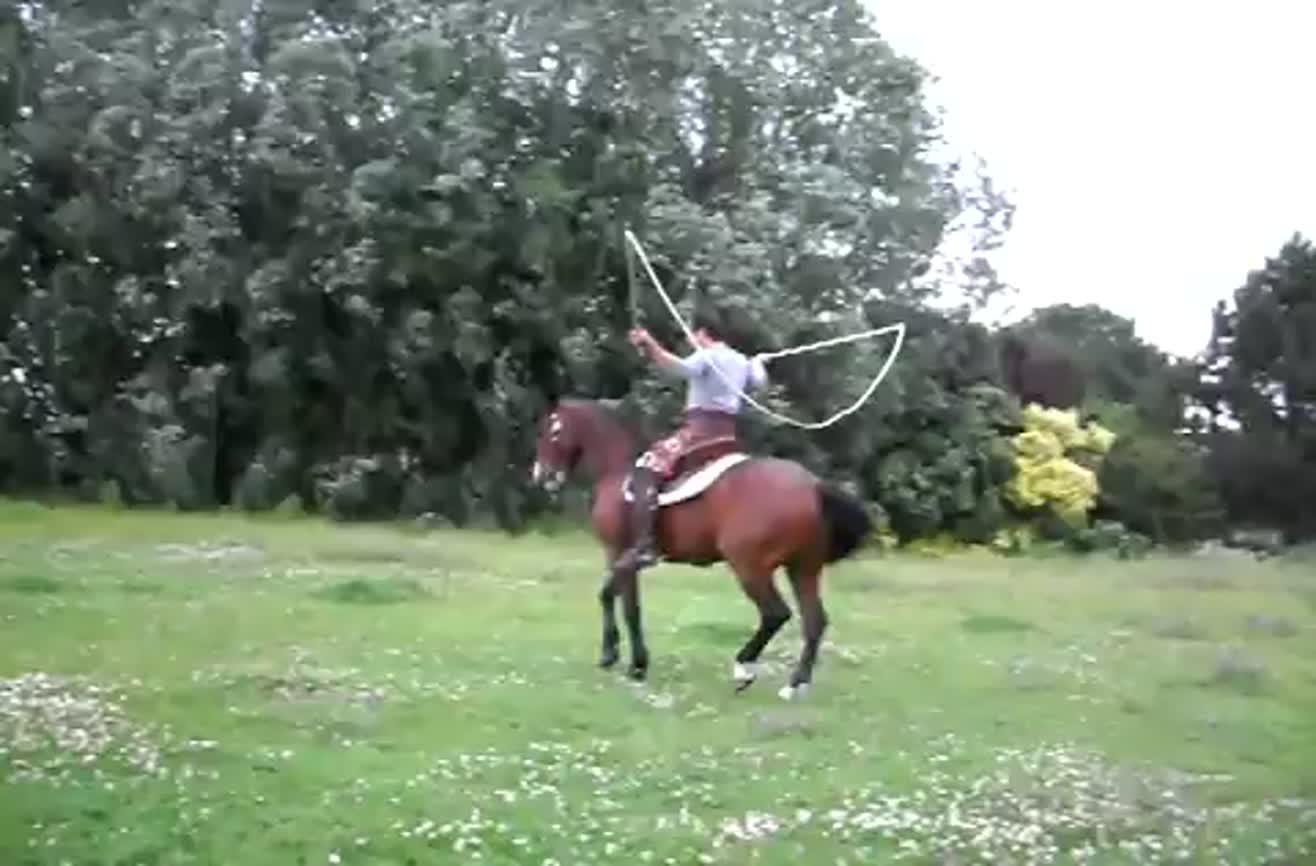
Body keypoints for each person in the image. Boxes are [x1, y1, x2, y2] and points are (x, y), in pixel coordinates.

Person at [617, 309, 769, 572]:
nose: (692, 340)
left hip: (700, 433)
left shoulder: (707, 355)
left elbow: (679, 368)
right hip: (727, 435)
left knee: (646, 467)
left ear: (701, 333)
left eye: (693, 334)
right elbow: (761, 384)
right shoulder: (740, 360)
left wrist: (649, 343)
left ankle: (645, 544)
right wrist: (757, 364)